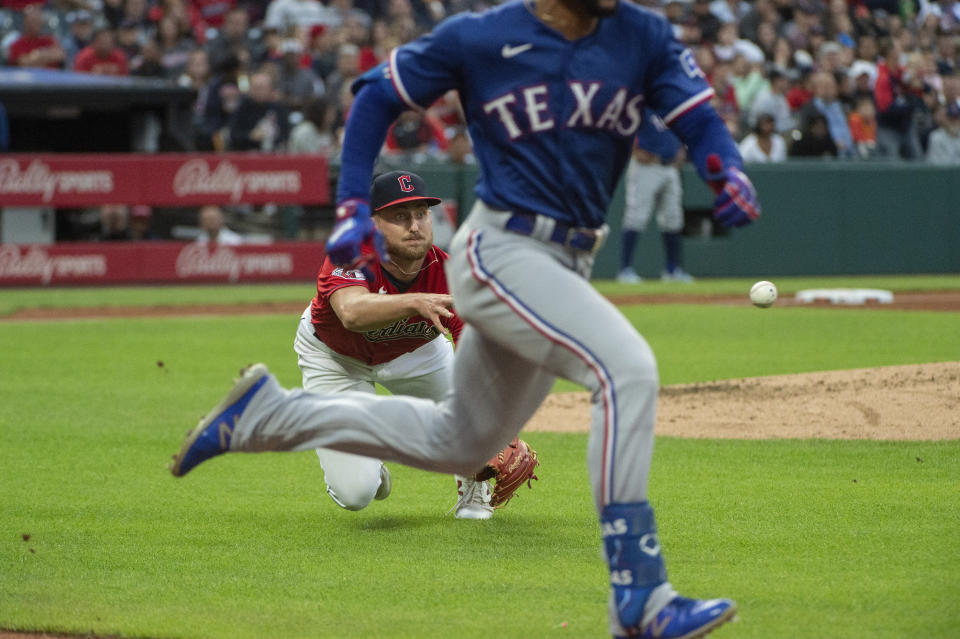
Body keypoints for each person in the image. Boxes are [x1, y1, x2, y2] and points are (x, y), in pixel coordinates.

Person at [171, 0, 760, 636]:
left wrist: (724, 163)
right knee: (628, 372)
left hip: (568, 258)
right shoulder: (482, 37)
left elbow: (696, 118)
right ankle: (641, 596)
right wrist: (348, 202)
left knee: (462, 443)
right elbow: (375, 94)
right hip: (502, 249)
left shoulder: (641, 33)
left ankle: (267, 415)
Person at [294, 170, 511, 519]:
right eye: (399, 216)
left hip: (417, 356)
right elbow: (351, 312)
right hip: (335, 359)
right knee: (357, 493)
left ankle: (473, 485)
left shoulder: (450, 273)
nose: (415, 226)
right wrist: (414, 303)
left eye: (421, 214)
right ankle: (368, 462)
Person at [618, 110, 694, 284]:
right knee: (636, 216)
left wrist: (681, 149)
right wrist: (634, 149)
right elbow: (624, 128)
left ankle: (672, 270)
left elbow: (681, 129)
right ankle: (625, 269)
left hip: (670, 166)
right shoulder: (642, 104)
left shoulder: (670, 105)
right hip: (646, 166)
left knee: (673, 218)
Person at [926, 98, 960, 164]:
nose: (954, 122)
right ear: (945, 119)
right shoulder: (936, 137)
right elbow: (935, 164)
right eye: (951, 119)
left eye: (956, 118)